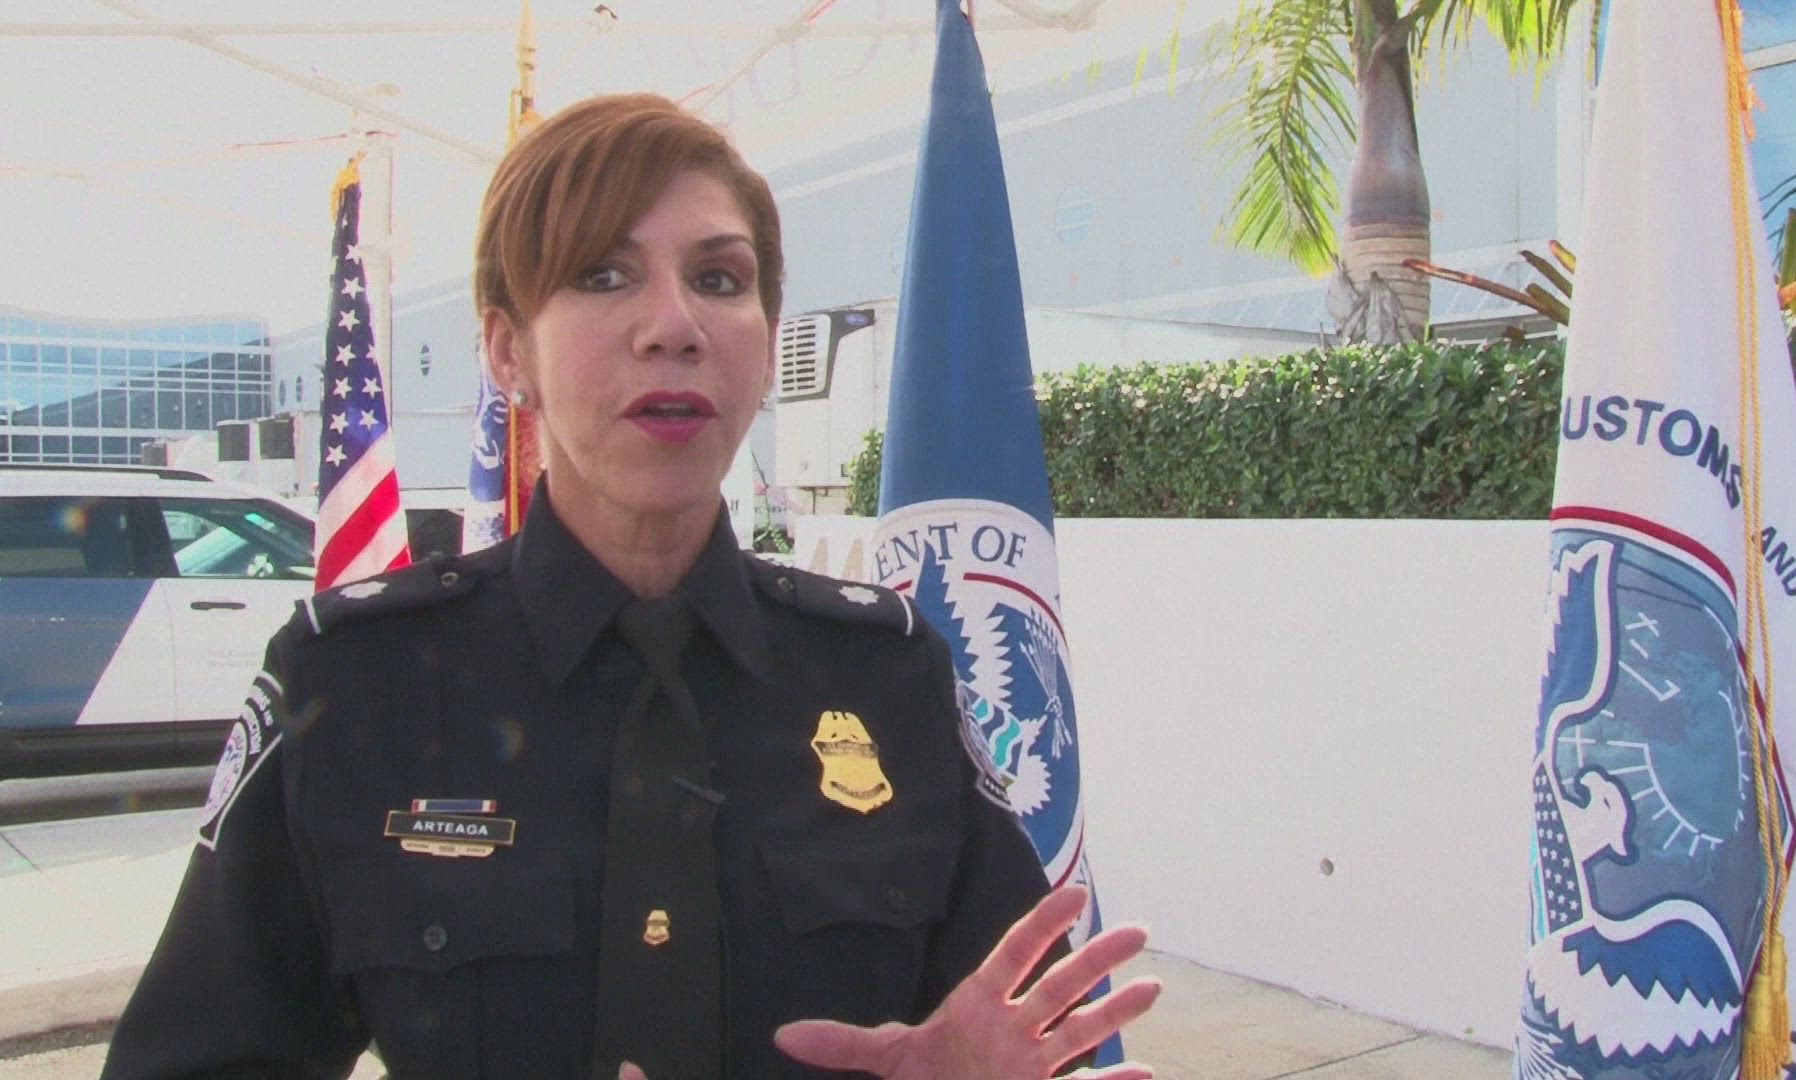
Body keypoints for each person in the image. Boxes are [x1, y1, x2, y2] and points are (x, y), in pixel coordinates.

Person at [101, 92, 1160, 1080]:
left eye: (720, 280)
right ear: (507, 351)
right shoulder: (356, 681)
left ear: (764, 340)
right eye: (604, 275)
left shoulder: (888, 675)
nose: (674, 325)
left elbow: (1025, 1036)